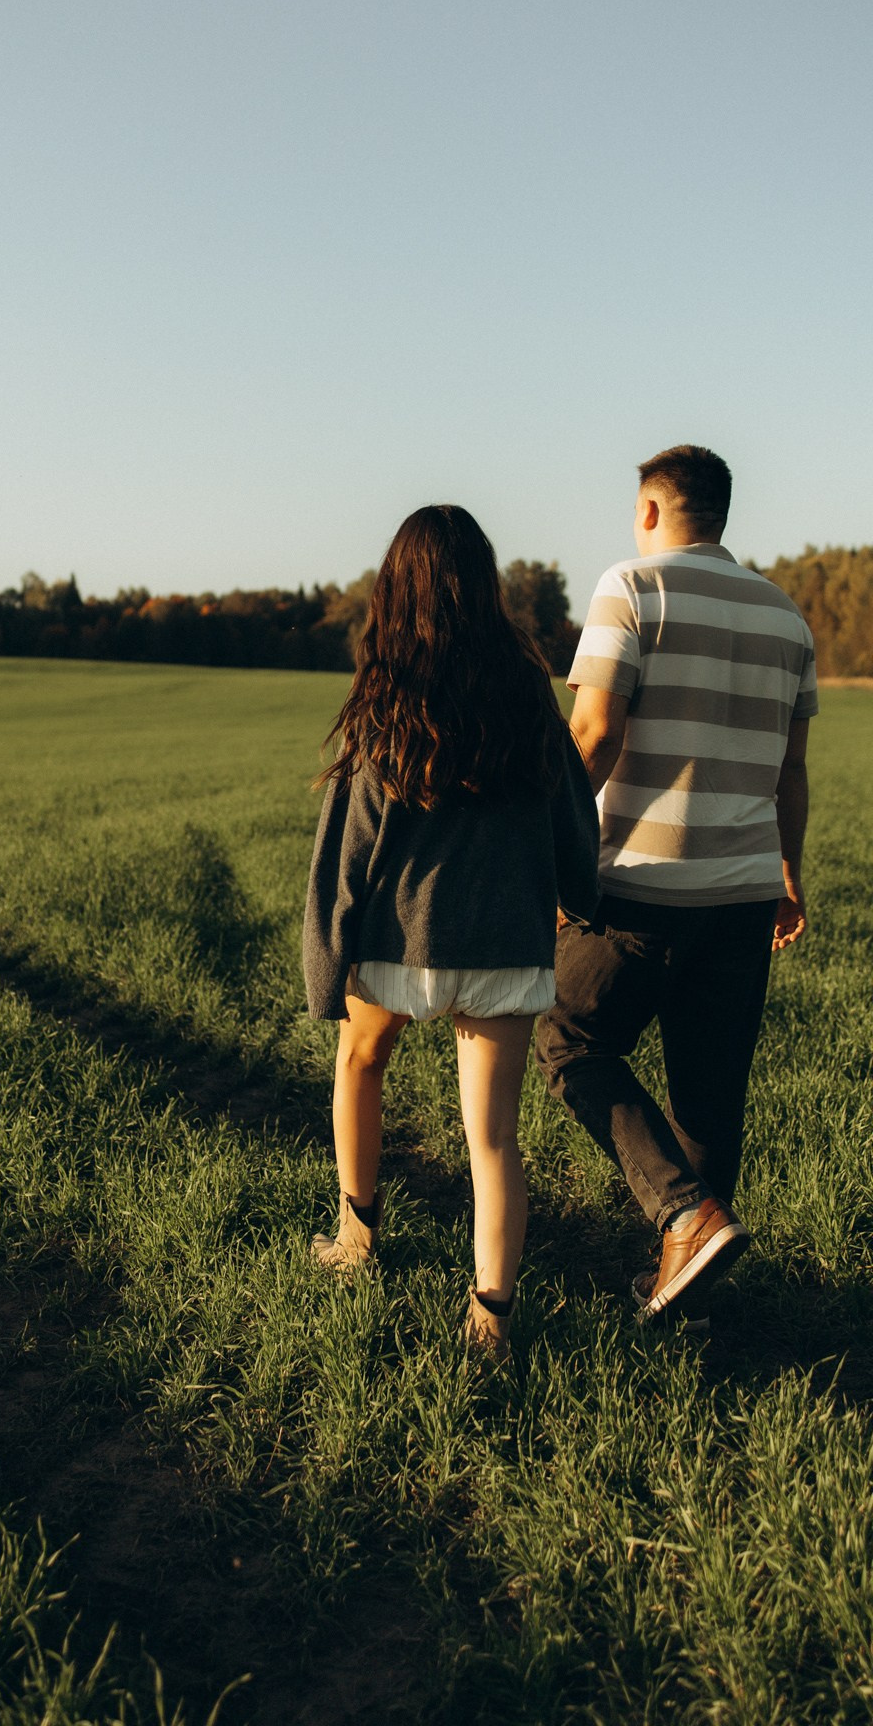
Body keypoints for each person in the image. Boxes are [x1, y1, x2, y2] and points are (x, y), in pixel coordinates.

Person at [303, 505, 599, 1359]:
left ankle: (356, 1243)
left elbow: (348, 846)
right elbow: (572, 813)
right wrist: (582, 897)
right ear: (485, 584)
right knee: (492, 1138)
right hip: (505, 946)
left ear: (397, 588)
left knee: (360, 1062)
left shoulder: (385, 694)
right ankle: (491, 1319)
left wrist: (330, 963)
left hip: (402, 944)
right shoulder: (527, 690)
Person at [536, 445, 817, 1326]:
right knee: (708, 1095)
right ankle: (690, 1297)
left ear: (652, 510)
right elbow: (793, 771)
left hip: (639, 892)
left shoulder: (632, 585)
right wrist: (787, 872)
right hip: (739, 896)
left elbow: (594, 733)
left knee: (563, 1034)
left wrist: (546, 852)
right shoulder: (786, 618)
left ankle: (685, 1215)